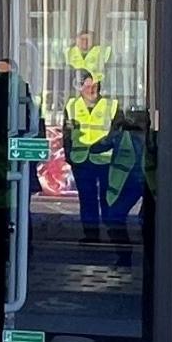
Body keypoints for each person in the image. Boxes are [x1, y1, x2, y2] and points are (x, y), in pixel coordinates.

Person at [62, 71, 118, 243]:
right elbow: (67, 134)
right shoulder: (72, 105)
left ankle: (113, 234)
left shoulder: (111, 105)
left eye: (94, 86)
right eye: (87, 86)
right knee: (87, 199)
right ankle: (91, 235)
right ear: (80, 88)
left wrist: (103, 146)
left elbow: (117, 134)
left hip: (104, 159)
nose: (91, 90)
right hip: (81, 160)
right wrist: (69, 156)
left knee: (107, 198)